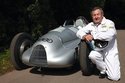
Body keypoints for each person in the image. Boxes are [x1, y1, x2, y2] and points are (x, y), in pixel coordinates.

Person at [76, 7, 121, 81]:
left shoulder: (109, 23)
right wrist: (85, 36)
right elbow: (78, 32)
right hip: (98, 50)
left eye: (98, 14)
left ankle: (110, 65)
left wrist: (93, 36)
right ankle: (103, 69)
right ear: (92, 16)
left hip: (109, 52)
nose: (96, 17)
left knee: (114, 78)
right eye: (94, 15)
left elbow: (110, 35)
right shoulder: (90, 25)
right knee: (92, 55)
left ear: (102, 15)